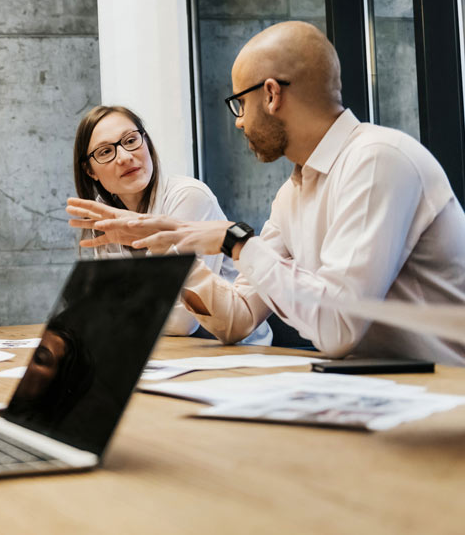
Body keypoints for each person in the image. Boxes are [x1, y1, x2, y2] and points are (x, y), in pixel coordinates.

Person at [68, 21, 465, 365]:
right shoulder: (292, 194)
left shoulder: (377, 159)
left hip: (445, 394)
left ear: (271, 94)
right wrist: (168, 244)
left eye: (240, 103)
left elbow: (338, 328)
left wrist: (235, 241)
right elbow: (237, 320)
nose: (239, 122)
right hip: (378, 390)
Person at [71, 105, 271, 344]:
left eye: (131, 140)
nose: (124, 157)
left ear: (146, 142)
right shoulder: (102, 212)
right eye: (105, 152)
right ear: (90, 170)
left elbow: (183, 320)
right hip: (162, 350)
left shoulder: (189, 196)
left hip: (235, 350)